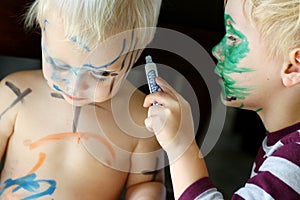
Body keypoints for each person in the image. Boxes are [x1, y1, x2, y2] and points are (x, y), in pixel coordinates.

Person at [0, 0, 166, 199]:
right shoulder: (15, 94)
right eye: (59, 64)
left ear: (138, 50)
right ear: (42, 32)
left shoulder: (141, 120)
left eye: (102, 73)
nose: (75, 86)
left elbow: (147, 185)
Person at [144, 0, 300, 199]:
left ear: (293, 67)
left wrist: (181, 146)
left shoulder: (294, 162)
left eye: (233, 38)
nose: (217, 50)